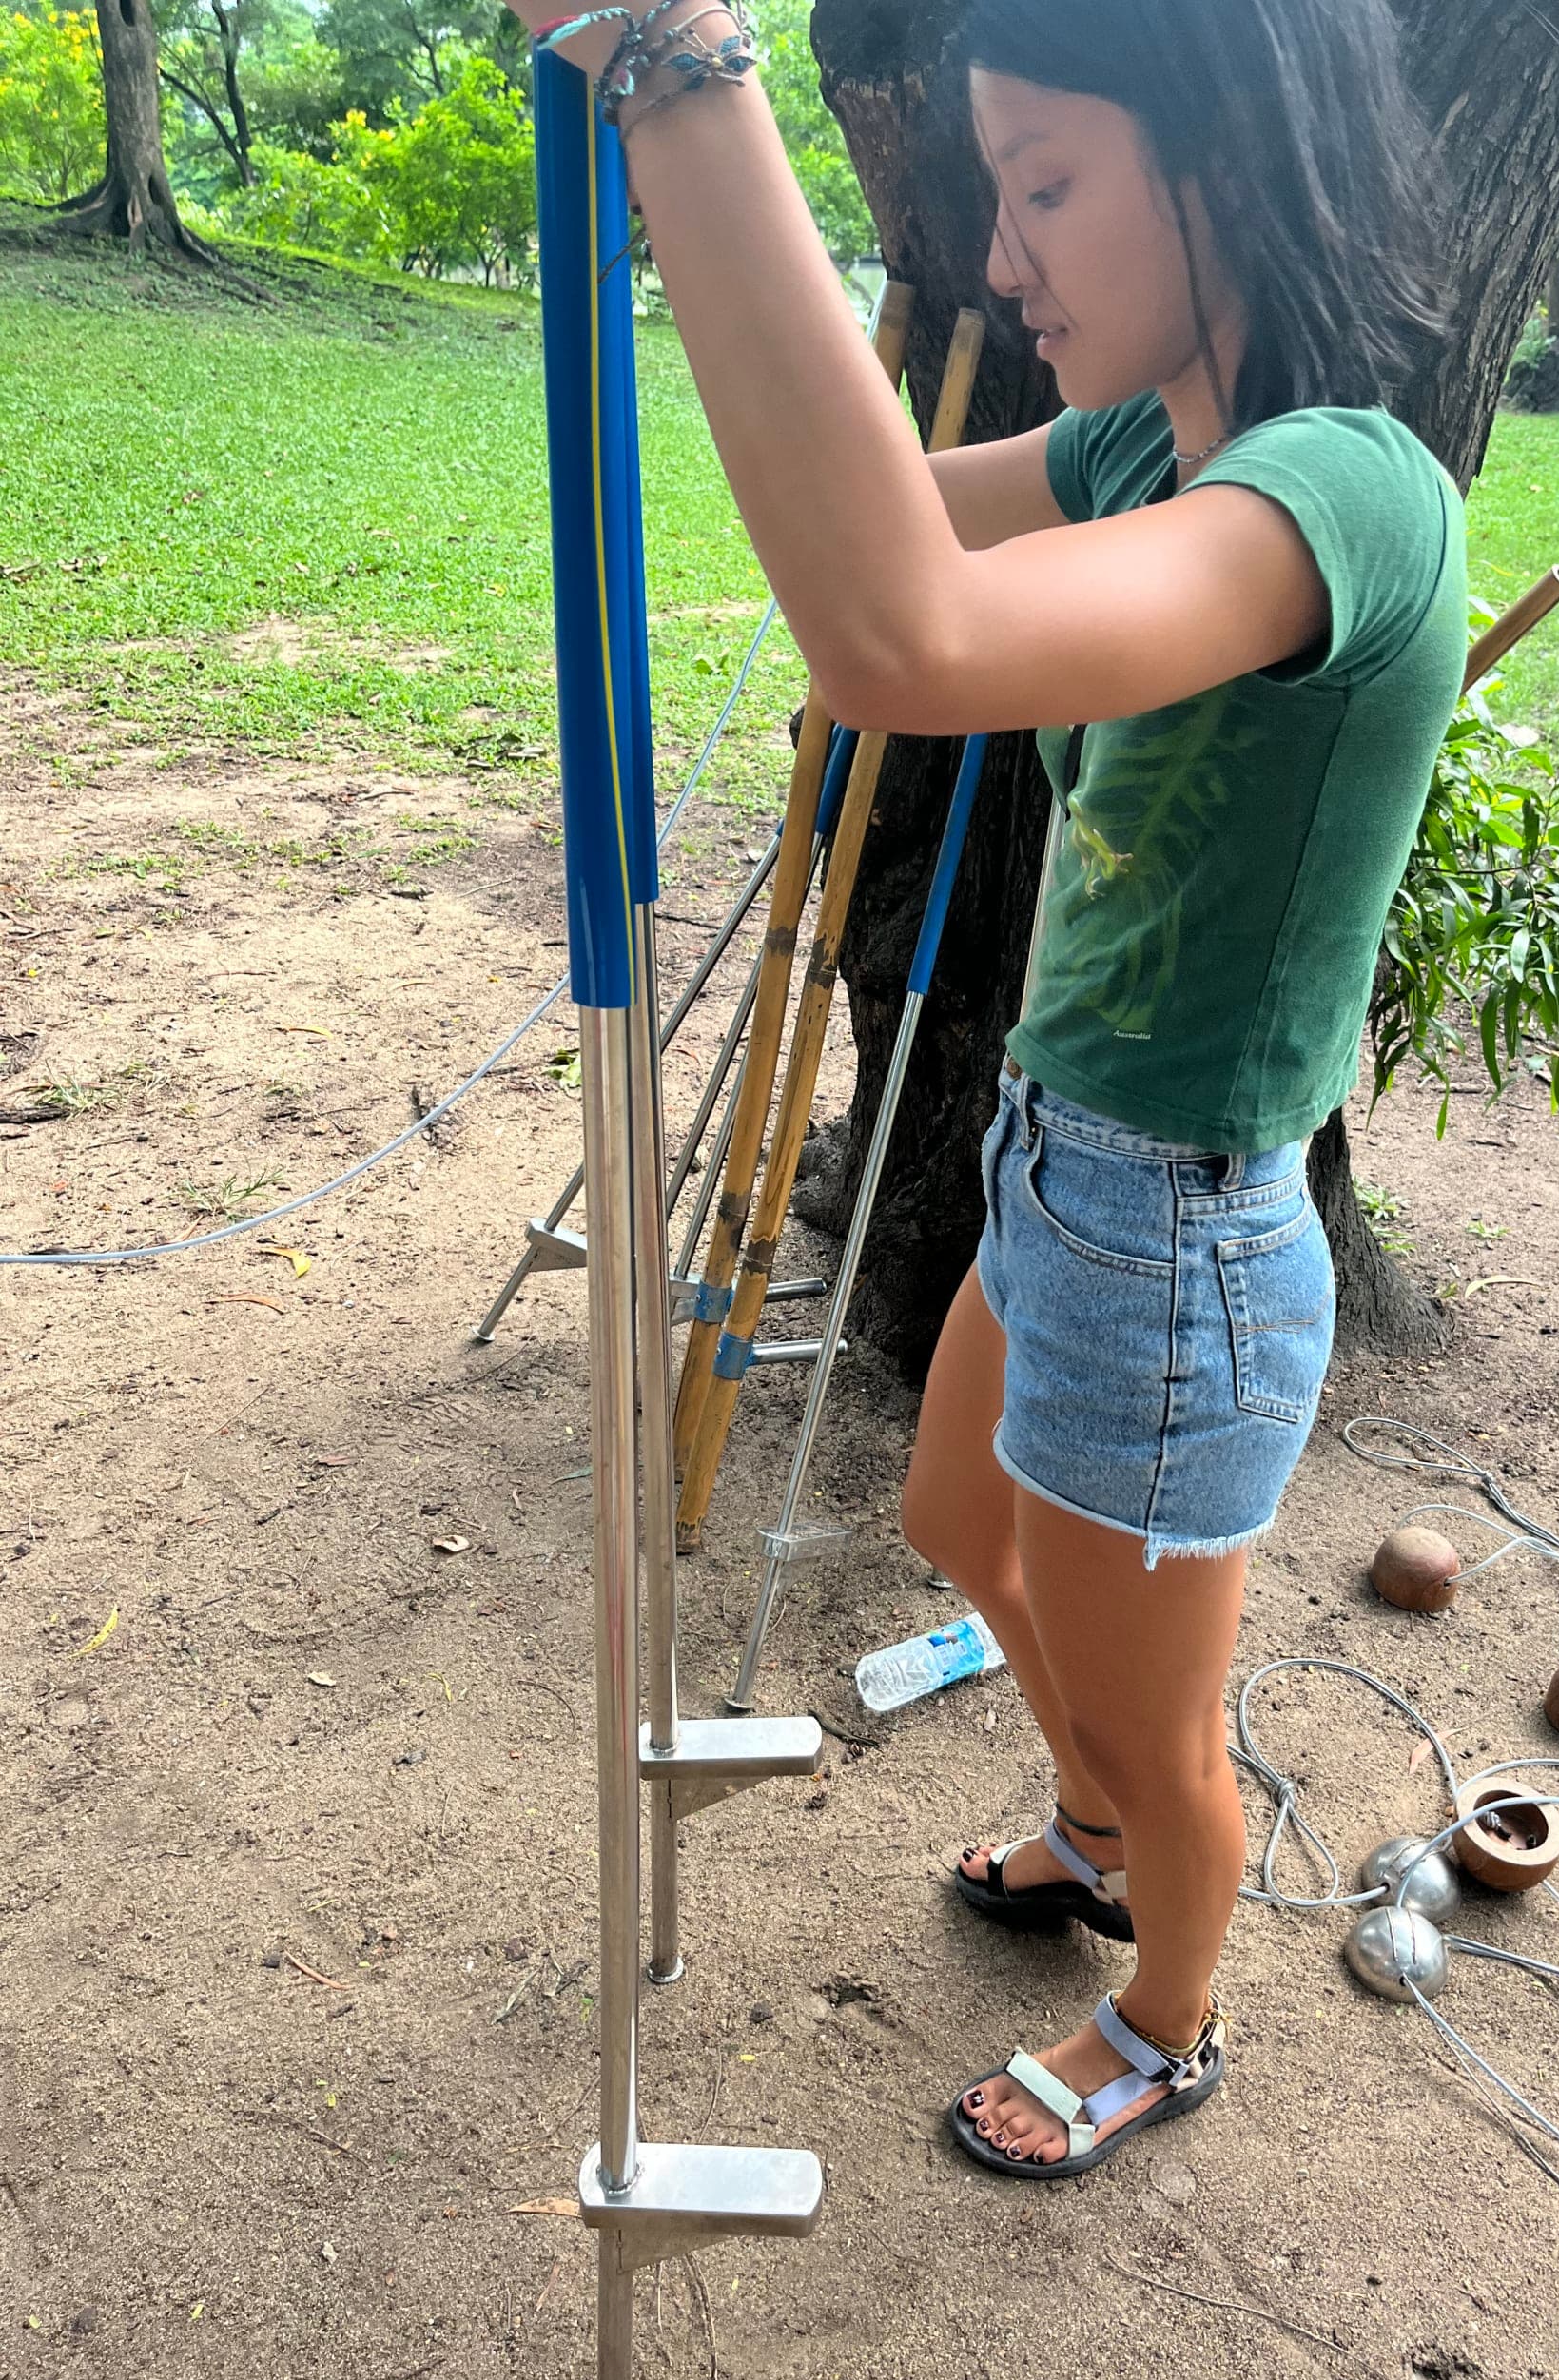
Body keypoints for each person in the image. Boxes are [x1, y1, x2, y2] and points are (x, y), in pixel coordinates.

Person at [512, 0, 1468, 2180]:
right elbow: (859, 521)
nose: (1004, 255)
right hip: (1061, 1158)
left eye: (1046, 187)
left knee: (1160, 1705)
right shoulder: (1147, 446)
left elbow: (909, 634)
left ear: (1230, 166)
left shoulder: (1347, 492)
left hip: (1185, 1238)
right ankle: (1098, 1817)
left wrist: (682, 66)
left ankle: (1164, 2010)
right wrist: (685, 266)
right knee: (957, 1526)